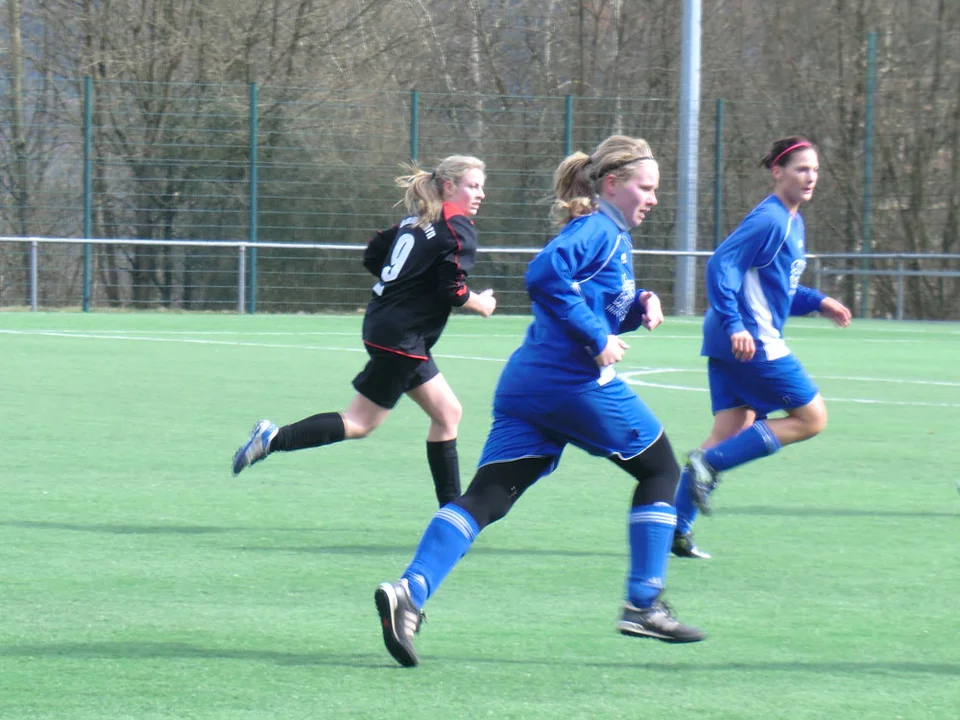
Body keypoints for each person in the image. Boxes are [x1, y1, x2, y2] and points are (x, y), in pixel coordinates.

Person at [374, 135, 706, 669]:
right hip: (570, 385)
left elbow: (588, 302)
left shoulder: (610, 235)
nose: (652, 199)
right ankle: (643, 604)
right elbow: (545, 276)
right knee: (661, 470)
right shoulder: (598, 229)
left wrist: (639, 304)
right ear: (612, 184)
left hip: (528, 386)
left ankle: (409, 592)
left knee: (488, 498)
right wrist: (597, 339)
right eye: (645, 188)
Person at [231, 155, 497, 507]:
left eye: (481, 187)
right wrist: (482, 304)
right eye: (473, 186)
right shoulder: (455, 226)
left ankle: (451, 512)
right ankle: (273, 438)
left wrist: (405, 286)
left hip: (390, 329)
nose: (480, 194)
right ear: (449, 187)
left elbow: (373, 255)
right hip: (402, 340)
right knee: (359, 422)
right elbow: (453, 290)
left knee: (448, 414)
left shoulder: (416, 220)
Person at [671, 136, 852, 560]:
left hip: (729, 341)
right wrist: (736, 324)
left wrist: (819, 301)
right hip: (750, 342)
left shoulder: (791, 221)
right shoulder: (770, 219)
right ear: (777, 172)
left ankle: (676, 529)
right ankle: (709, 465)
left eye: (815, 170)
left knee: (727, 433)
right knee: (811, 419)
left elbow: (776, 287)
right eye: (801, 169)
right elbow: (721, 264)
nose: (810, 177)